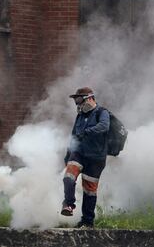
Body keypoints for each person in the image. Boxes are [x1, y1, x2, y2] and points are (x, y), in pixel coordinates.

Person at [61, 87, 110, 228]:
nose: (77, 104)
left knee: (89, 191)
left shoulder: (102, 113)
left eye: (79, 100)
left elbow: (104, 127)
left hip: (96, 158)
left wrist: (87, 132)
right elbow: (74, 135)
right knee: (68, 178)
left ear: (89, 98)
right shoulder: (80, 116)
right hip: (79, 153)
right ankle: (68, 205)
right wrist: (68, 154)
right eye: (75, 101)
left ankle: (87, 222)